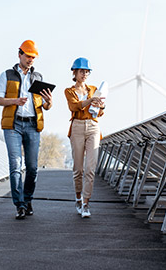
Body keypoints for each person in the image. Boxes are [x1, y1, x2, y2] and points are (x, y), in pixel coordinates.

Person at [0, 40, 53, 220]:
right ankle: (19, 205)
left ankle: (27, 200)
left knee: (33, 168)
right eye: (28, 56)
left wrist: (49, 101)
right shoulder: (7, 75)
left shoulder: (38, 78)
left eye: (33, 57)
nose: (30, 60)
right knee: (15, 166)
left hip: (33, 125)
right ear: (19, 54)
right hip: (13, 125)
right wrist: (15, 101)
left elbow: (46, 106)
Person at [64, 57, 104, 218]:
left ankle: (86, 203)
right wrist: (90, 101)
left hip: (93, 126)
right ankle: (78, 197)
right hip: (77, 127)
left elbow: (100, 112)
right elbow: (74, 106)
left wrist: (100, 106)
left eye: (87, 71)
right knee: (78, 169)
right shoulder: (69, 91)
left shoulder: (93, 89)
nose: (85, 74)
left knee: (91, 168)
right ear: (74, 72)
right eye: (82, 71)